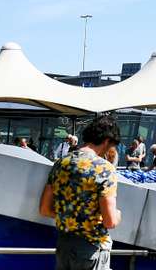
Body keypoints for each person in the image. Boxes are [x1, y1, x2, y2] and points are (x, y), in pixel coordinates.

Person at [39, 115, 122, 270]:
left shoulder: (61, 163)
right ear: (106, 141)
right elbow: (110, 221)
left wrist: (72, 217)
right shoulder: (104, 169)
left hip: (64, 247)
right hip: (91, 249)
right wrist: (118, 215)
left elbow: (44, 209)